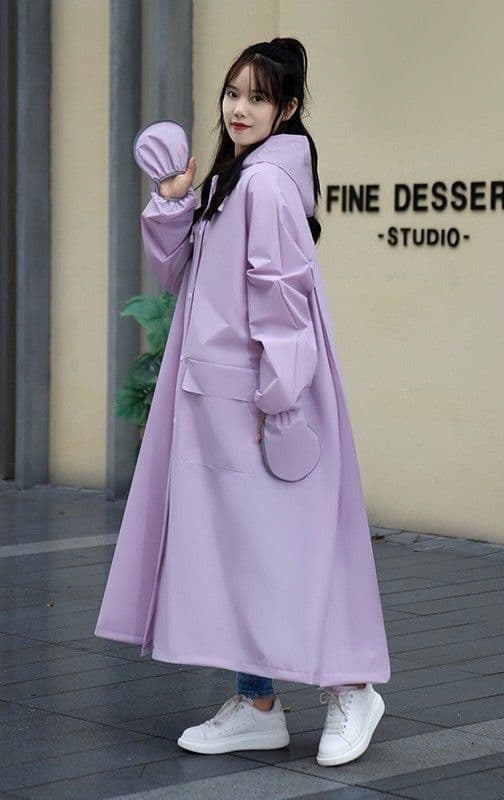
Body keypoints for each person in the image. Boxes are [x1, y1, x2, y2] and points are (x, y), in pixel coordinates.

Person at [94, 37, 391, 768]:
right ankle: (258, 704)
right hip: (226, 402)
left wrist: (281, 405)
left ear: (287, 109)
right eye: (233, 93)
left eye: (258, 97)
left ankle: (351, 688)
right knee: (242, 553)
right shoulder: (236, 178)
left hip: (262, 403)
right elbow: (182, 278)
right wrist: (174, 201)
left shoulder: (264, 184)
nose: (239, 108)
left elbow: (282, 299)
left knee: (289, 547)